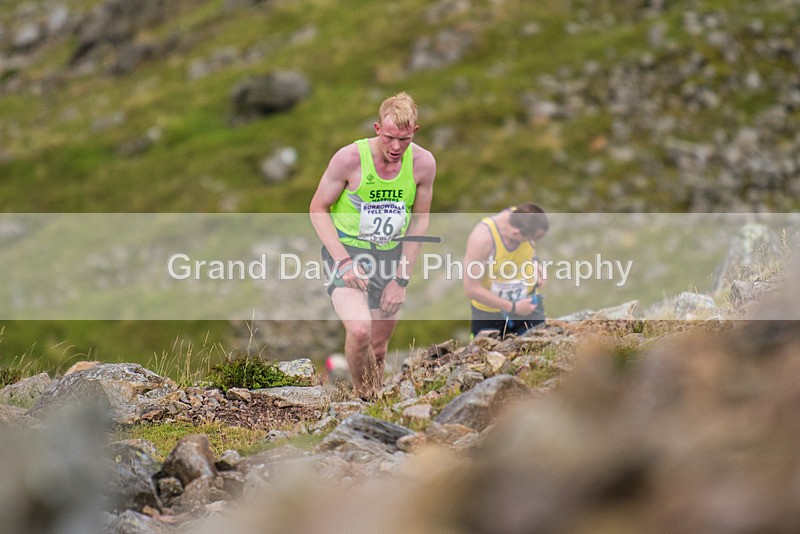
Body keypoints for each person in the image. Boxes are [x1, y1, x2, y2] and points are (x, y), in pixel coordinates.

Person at [309, 92, 436, 398]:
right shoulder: (349, 159)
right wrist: (343, 261)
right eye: (390, 137)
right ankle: (364, 399)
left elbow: (419, 222)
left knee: (378, 349)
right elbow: (317, 208)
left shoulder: (423, 164)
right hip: (349, 251)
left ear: (414, 133)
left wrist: (401, 280)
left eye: (404, 140)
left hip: (391, 256)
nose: (396, 147)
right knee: (360, 330)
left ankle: (377, 403)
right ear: (378, 129)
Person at [463, 204, 549, 338]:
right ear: (516, 233)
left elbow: (530, 247)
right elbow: (471, 289)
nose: (531, 242)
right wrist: (513, 307)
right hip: (489, 315)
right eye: (529, 239)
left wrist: (536, 264)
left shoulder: (524, 219)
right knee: (485, 357)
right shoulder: (482, 239)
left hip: (529, 306)